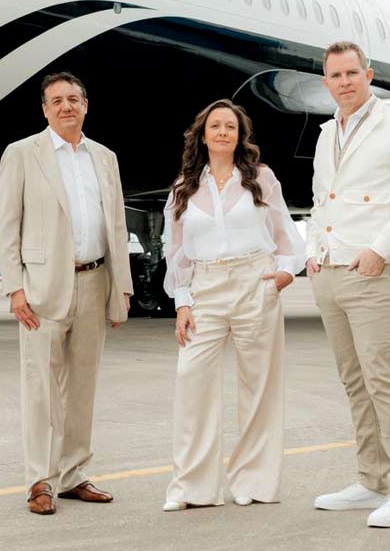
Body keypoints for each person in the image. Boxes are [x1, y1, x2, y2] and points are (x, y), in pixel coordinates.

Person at [306, 42, 390, 528]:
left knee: (383, 383)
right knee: (355, 384)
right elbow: (324, 202)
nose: (344, 82)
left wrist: (378, 250)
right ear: (326, 82)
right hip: (331, 274)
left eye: (352, 73)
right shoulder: (325, 135)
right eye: (335, 75)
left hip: (376, 274)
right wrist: (312, 252)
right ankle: (370, 480)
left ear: (369, 74)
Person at [0, 71, 133, 515]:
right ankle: (40, 479)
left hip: (94, 281)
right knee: (40, 388)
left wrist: (121, 288)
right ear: (45, 110)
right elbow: (6, 224)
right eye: (57, 101)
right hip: (41, 289)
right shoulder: (21, 154)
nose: (66, 107)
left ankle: (73, 475)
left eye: (74, 99)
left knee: (82, 388)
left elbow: (115, 224)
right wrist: (15, 287)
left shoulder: (105, 157)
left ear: (86, 105)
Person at [162, 99, 305, 511]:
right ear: (202, 135)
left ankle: (253, 482)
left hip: (253, 282)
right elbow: (176, 252)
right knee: (192, 383)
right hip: (205, 287)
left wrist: (284, 272)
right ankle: (191, 488)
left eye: (230, 126)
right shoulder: (183, 187)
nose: (222, 132)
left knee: (257, 388)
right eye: (215, 126)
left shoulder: (260, 178)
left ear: (240, 136)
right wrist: (182, 302)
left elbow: (284, 232)